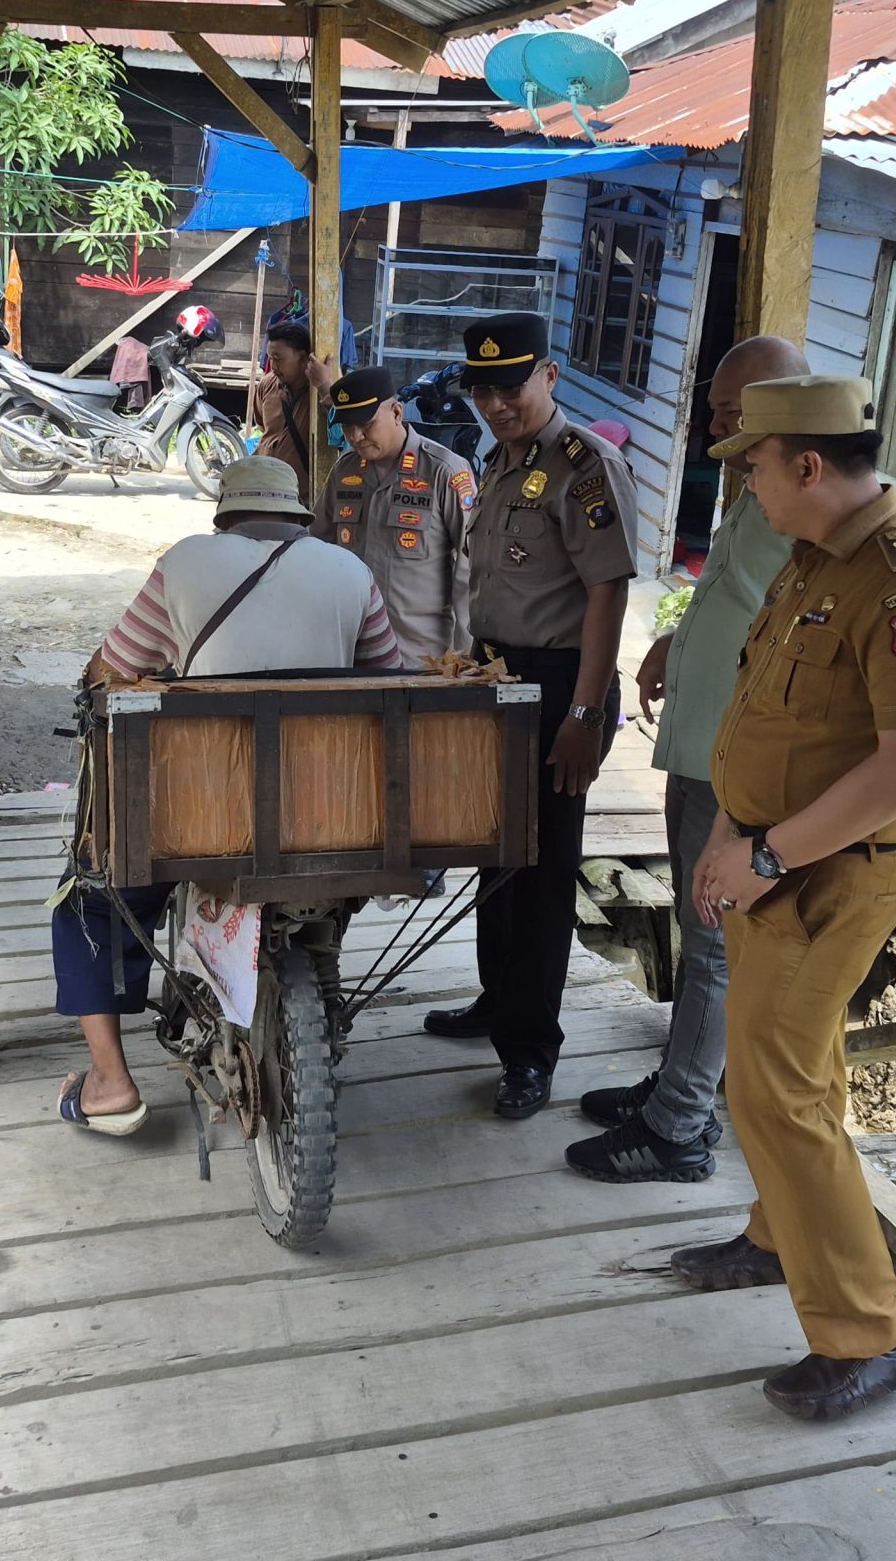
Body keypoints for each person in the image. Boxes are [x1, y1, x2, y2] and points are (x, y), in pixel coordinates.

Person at [677, 374, 896, 1423]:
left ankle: (870, 1335)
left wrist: (766, 856)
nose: (746, 486)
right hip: (768, 860)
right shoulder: (816, 560)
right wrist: (729, 833)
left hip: (823, 878)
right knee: (785, 1074)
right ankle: (776, 1238)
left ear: (807, 464)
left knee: (777, 1093)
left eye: (754, 466)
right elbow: (766, 715)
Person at [52, 453, 406, 1135]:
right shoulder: (352, 571)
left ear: (225, 518)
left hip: (209, 816)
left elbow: (113, 669)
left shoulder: (185, 562)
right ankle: (315, 968)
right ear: (296, 519)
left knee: (89, 902)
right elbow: (388, 679)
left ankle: (109, 1083)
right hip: (334, 812)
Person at [566, 334, 805, 1184]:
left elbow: (799, 644)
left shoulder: (806, 508)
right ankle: (680, 1084)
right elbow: (741, 602)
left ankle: (680, 1127)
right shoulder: (755, 482)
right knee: (698, 929)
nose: (710, 426)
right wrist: (678, 636)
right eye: (712, 408)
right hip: (700, 743)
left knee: (712, 941)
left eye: (728, 412)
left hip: (738, 759)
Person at [425, 311, 636, 1119]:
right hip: (495, 675)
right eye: (483, 389)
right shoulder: (503, 458)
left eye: (510, 386)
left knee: (542, 871)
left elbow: (607, 593)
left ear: (548, 376)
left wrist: (586, 710)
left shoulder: (586, 466)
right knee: (493, 850)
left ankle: (530, 1052)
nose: (496, 403)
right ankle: (496, 1001)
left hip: (557, 687)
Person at [310, 365, 474, 666]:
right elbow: (316, 548)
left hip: (419, 657)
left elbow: (468, 571)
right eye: (348, 426)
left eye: (366, 424)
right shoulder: (345, 471)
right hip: (349, 651)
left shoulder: (444, 471)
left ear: (397, 412)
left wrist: (462, 659)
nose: (356, 436)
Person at [251, 319, 336, 486]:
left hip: (299, 496)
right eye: (270, 358)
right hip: (263, 486)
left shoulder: (319, 392)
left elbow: (343, 430)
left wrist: (324, 386)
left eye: (278, 358)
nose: (273, 366)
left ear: (303, 358)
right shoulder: (267, 384)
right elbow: (262, 426)